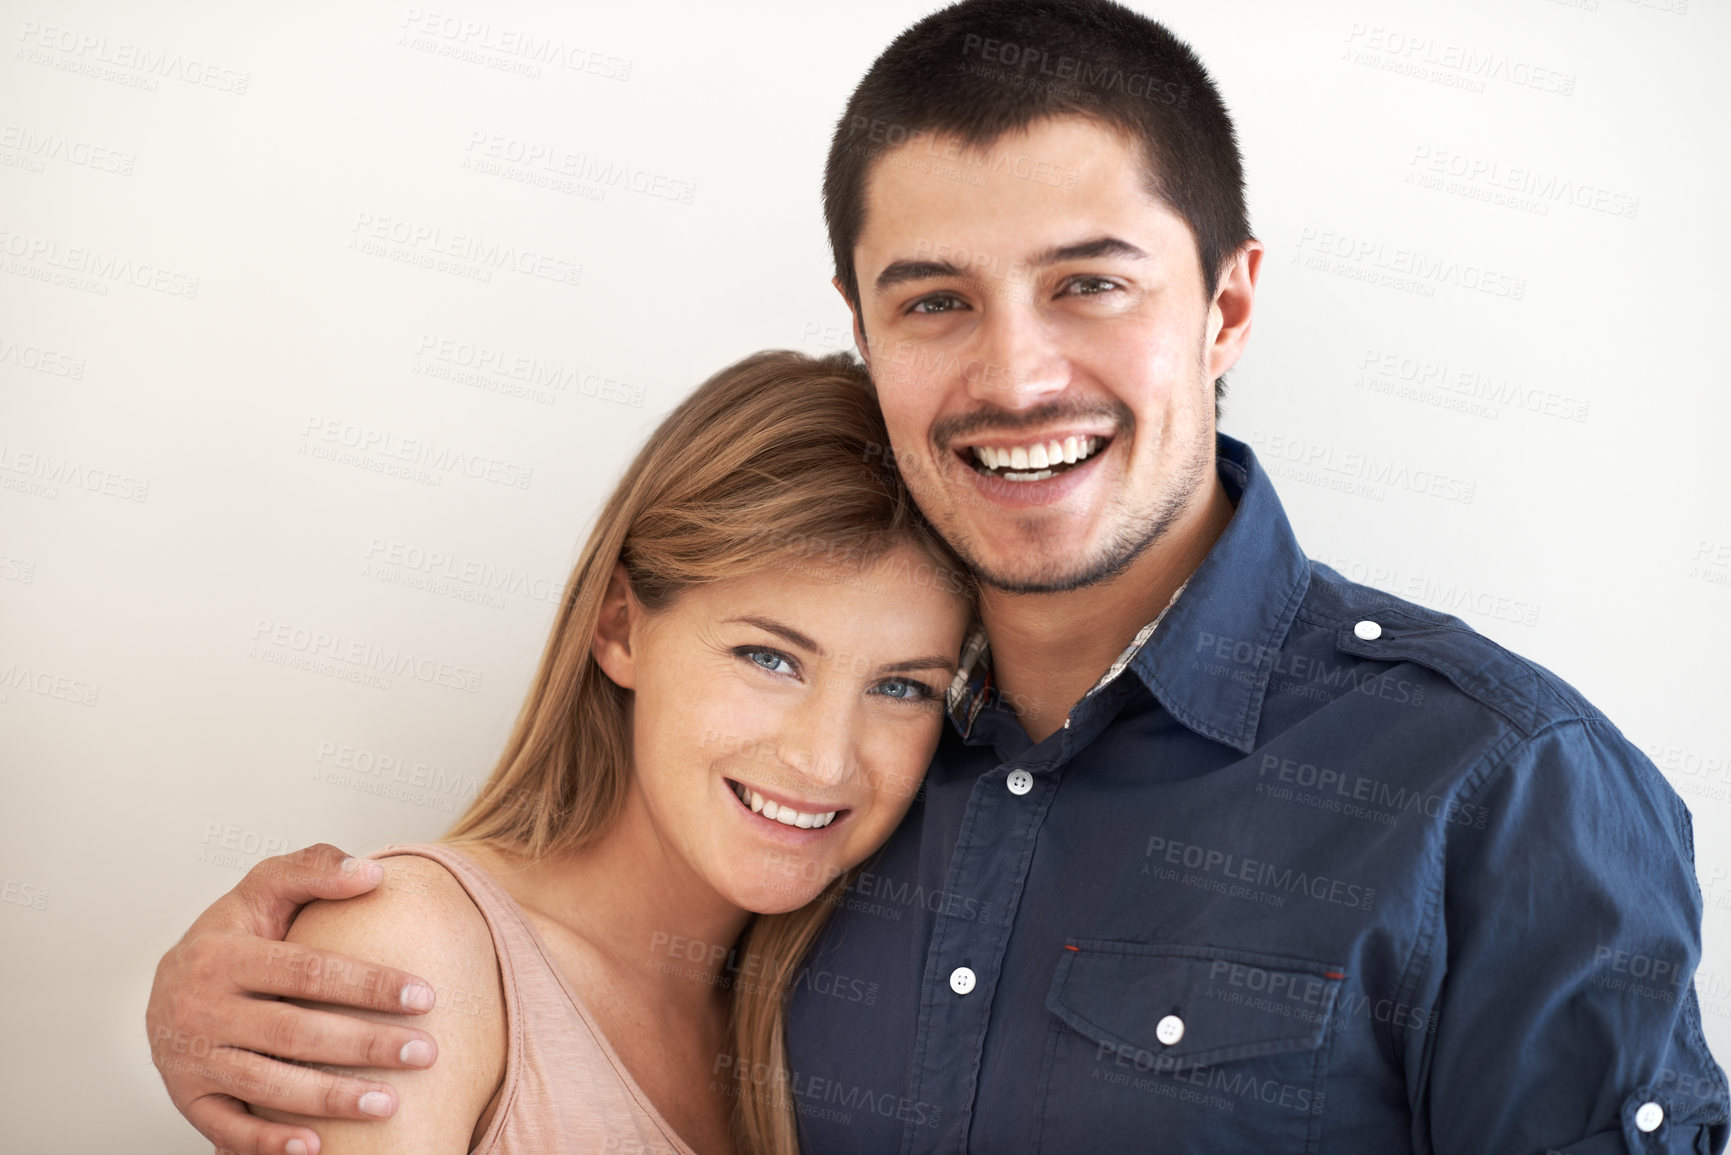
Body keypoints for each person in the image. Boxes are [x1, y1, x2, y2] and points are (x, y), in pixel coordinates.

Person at [150, 1, 1729, 1152]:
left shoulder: (1499, 787)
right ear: (859, 324)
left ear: (1226, 306)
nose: (1017, 374)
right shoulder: (832, 814)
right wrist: (237, 1005)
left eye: (1088, 283)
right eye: (933, 302)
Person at [148, 349, 973, 1155]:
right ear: (619, 625)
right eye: (769, 658)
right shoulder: (415, 952)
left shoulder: (808, 1034)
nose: (826, 761)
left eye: (902, 687)